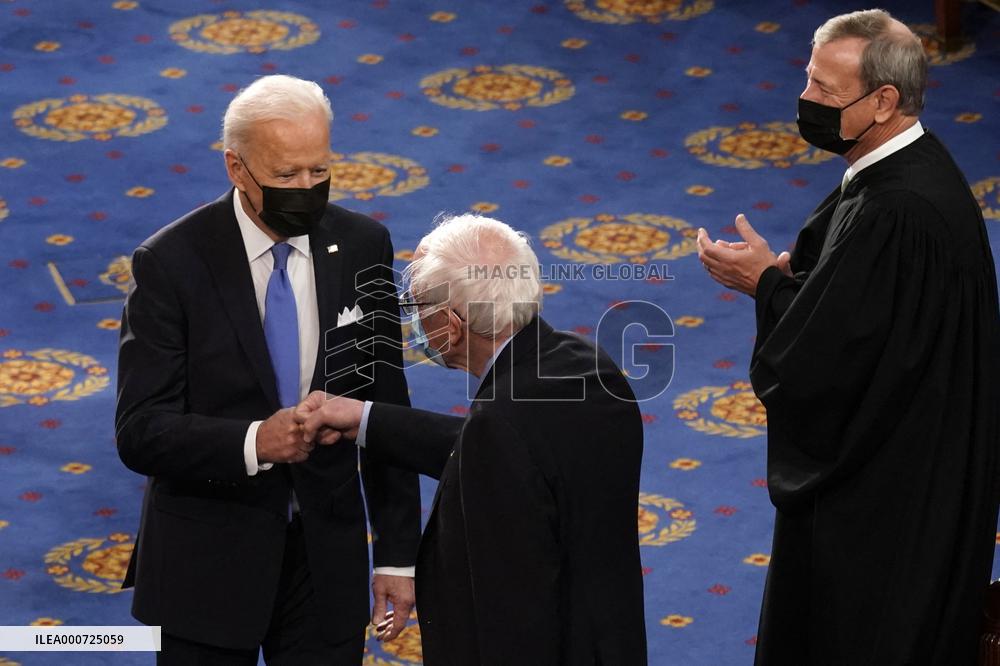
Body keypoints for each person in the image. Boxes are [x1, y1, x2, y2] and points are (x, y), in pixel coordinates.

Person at [697, 9, 1000, 664]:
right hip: (916, 469)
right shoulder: (907, 172)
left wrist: (768, 288)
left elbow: (819, 367)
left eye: (825, 93)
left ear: (885, 101)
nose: (805, 102)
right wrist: (796, 281)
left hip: (885, 506)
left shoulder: (900, 211)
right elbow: (870, 320)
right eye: (808, 80)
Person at [115, 74, 421, 665]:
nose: (306, 188)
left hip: (325, 560)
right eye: (286, 176)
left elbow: (387, 407)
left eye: (318, 171)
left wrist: (395, 556)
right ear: (237, 168)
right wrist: (258, 441)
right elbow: (140, 430)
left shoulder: (362, 246)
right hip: (205, 566)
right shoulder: (171, 264)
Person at [294, 214, 648, 665]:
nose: (415, 324)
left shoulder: (499, 427)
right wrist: (365, 418)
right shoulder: (586, 368)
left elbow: (506, 612)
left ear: (451, 324)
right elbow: (504, 452)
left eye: (418, 308)